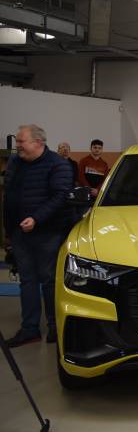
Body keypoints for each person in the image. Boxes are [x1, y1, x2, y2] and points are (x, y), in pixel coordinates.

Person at [3, 124, 72, 347]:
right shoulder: (15, 162)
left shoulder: (58, 164)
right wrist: (8, 230)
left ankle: (54, 327)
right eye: (17, 141)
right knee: (27, 280)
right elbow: (9, 195)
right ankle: (29, 329)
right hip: (19, 232)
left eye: (21, 141)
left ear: (38, 142)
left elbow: (60, 197)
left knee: (49, 280)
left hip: (48, 232)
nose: (18, 146)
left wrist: (36, 218)